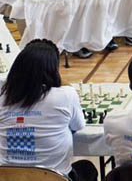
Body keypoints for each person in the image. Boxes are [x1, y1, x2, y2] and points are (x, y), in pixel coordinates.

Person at [0, 39, 98, 181]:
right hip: (54, 177)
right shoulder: (65, 95)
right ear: (53, 69)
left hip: (10, 177)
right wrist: (58, 80)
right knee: (87, 168)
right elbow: (79, 126)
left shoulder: (3, 96)